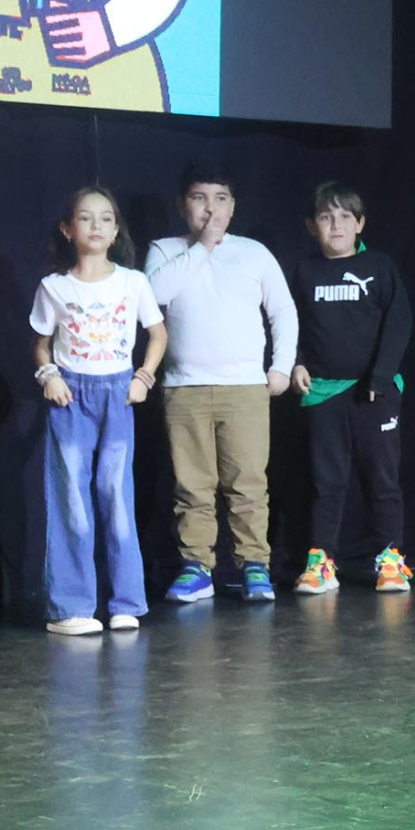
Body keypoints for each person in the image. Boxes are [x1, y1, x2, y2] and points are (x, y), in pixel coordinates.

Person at [143, 165, 297, 603]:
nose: (210, 208)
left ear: (233, 206)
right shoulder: (165, 249)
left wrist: (281, 366)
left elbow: (282, 311)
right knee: (192, 485)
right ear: (182, 205)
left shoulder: (254, 253)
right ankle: (196, 567)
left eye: (221, 198)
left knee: (248, 482)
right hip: (184, 388)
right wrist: (204, 245)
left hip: (244, 387)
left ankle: (255, 565)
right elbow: (155, 295)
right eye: (200, 198)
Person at [30, 186, 166, 634]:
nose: (96, 226)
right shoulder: (54, 287)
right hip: (71, 396)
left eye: (106, 218)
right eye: (86, 218)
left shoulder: (132, 281)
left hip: (117, 393)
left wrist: (143, 377)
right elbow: (41, 343)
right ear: (68, 229)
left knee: (116, 496)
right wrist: (49, 375)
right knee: (72, 498)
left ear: (116, 230)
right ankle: (72, 607)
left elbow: (158, 333)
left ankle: (126, 602)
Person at [287, 182, 413, 594]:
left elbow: (399, 323)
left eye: (345, 217)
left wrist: (381, 376)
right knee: (326, 482)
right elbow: (289, 323)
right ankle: (321, 562)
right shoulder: (304, 272)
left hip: (374, 393)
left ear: (360, 224)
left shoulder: (380, 267)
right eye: (326, 217)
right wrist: (296, 362)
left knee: (382, 479)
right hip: (323, 392)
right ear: (312, 226)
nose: (336, 225)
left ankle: (391, 559)